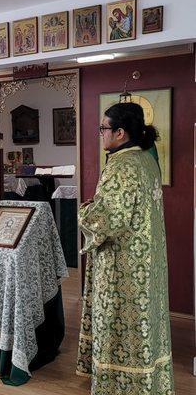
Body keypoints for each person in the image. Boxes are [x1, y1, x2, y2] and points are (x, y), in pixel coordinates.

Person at [76, 102, 174, 394]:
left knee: (120, 327)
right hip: (147, 261)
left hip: (123, 267)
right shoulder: (146, 160)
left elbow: (107, 221)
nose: (101, 134)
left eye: (104, 128)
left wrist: (84, 212)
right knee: (146, 326)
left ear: (120, 132)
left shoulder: (121, 165)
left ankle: (119, 387)